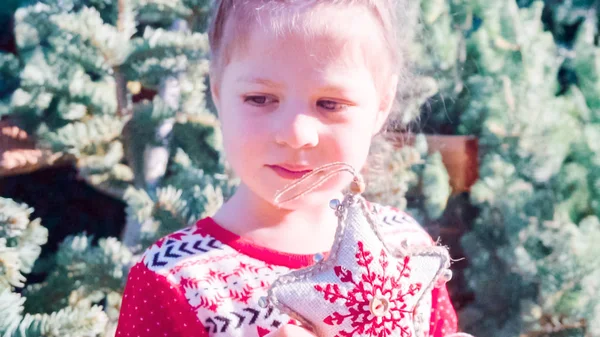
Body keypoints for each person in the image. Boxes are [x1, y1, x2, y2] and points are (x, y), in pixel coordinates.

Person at [115, 1, 459, 337]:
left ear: (381, 105)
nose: (296, 135)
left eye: (330, 104)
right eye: (260, 99)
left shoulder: (405, 246)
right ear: (218, 91)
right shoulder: (176, 280)